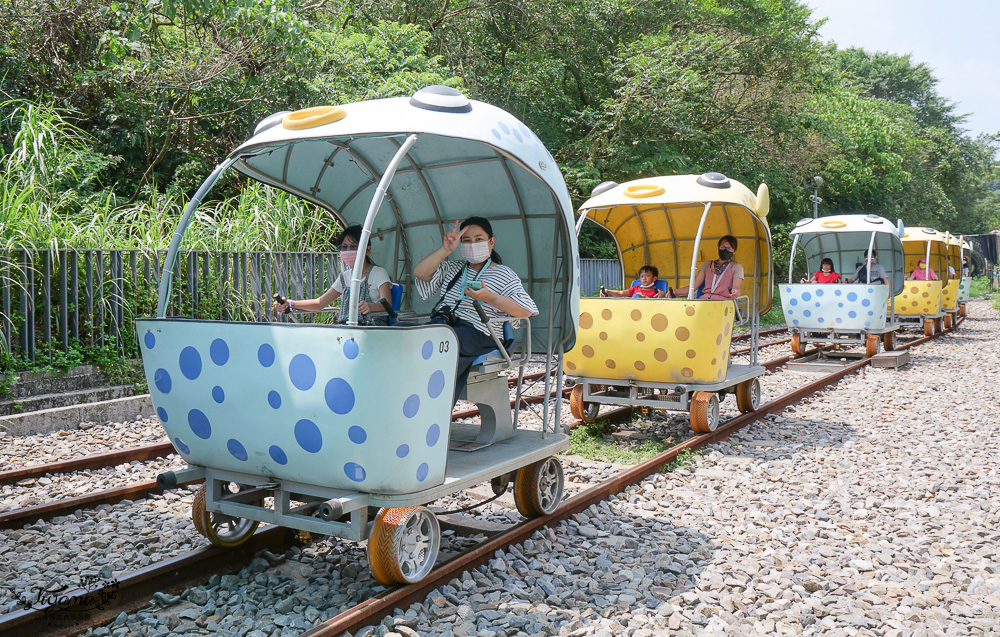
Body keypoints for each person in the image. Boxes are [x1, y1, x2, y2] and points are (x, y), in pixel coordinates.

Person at [414, 217, 537, 401]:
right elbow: (420, 273)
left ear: (491, 242)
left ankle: (436, 403)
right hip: (445, 327)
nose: (473, 244)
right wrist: (445, 250)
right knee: (411, 339)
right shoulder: (453, 268)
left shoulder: (503, 274)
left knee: (445, 345)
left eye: (479, 239)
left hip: (480, 332)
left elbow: (526, 310)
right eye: (467, 241)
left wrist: (489, 298)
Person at [273, 225, 393, 322]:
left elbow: (387, 305)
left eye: (354, 247)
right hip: (348, 329)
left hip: (374, 328)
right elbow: (320, 303)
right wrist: (291, 304)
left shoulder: (379, 273)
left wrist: (371, 307)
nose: (348, 251)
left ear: (367, 249)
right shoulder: (345, 277)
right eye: (344, 247)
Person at [668, 235, 743, 300]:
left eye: (729, 248)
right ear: (718, 248)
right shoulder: (707, 264)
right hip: (705, 301)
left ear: (734, 251)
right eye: (722, 247)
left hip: (723, 303)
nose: (725, 250)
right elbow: (692, 287)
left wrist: (735, 292)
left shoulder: (736, 266)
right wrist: (674, 291)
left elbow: (736, 288)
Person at [600, 265, 667, 298]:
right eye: (642, 276)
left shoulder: (656, 291)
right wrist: (608, 291)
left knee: (636, 296)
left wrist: (663, 294)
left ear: (654, 278)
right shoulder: (635, 288)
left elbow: (663, 294)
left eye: (647, 276)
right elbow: (621, 293)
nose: (644, 278)